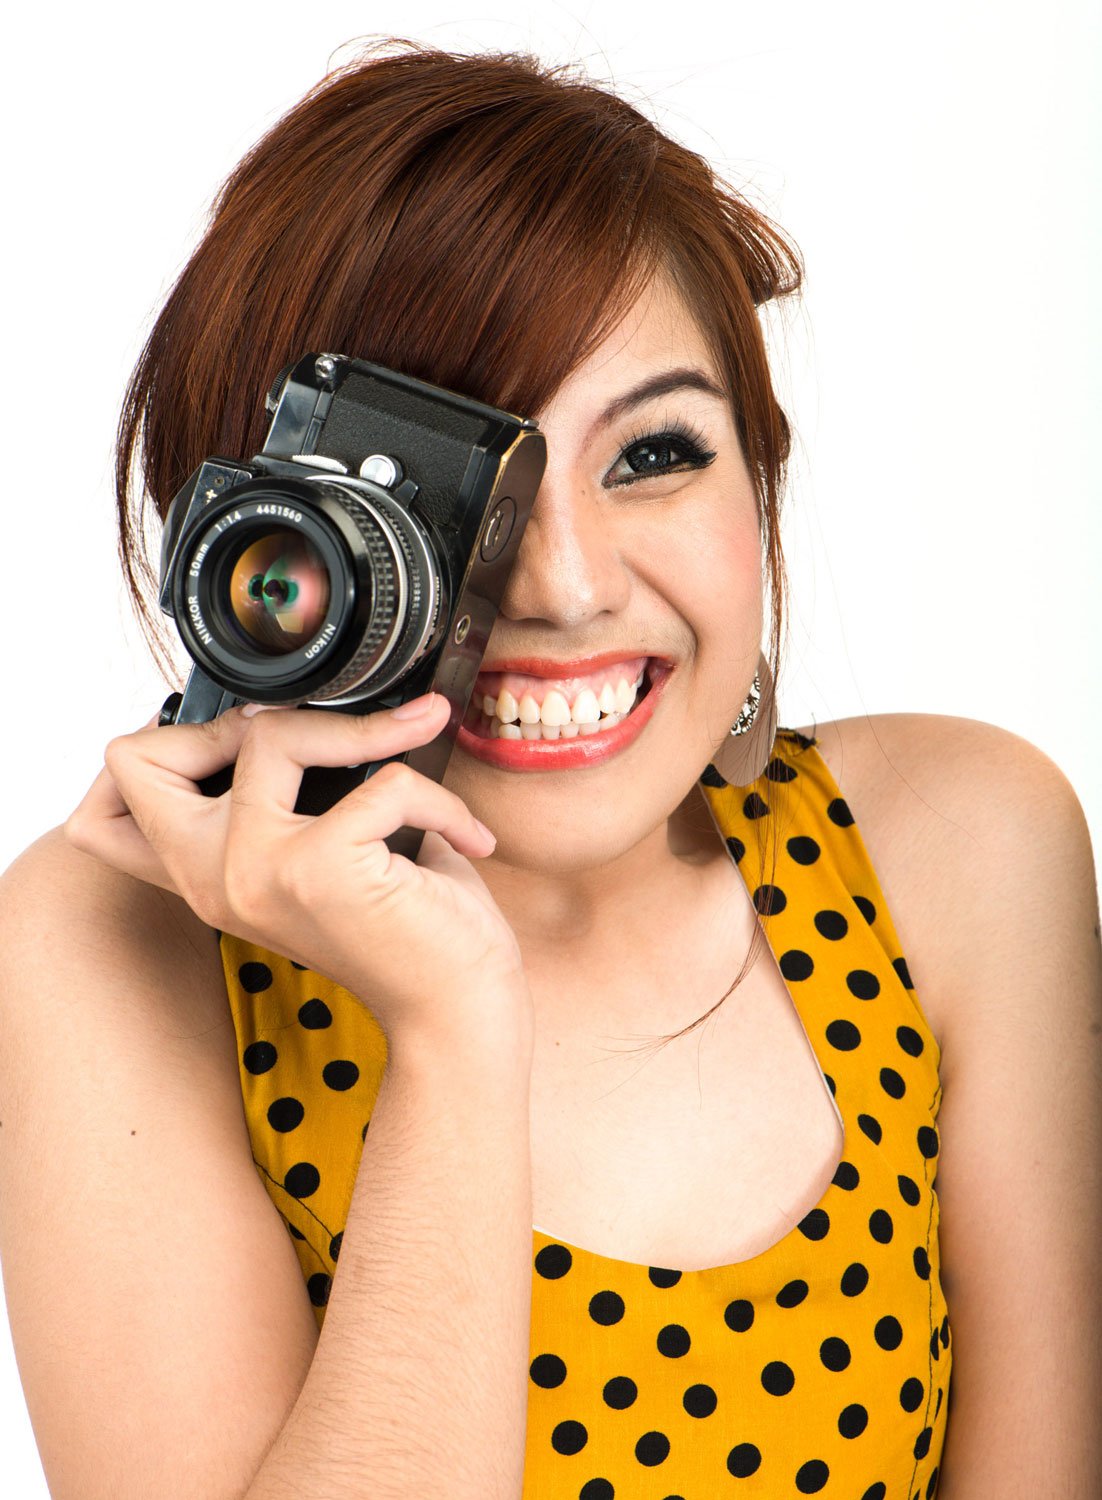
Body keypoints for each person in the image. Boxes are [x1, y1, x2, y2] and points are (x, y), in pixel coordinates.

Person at [1, 38, 1098, 1500]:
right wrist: (453, 1032)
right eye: (458, 491)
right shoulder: (118, 951)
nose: (565, 585)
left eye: (652, 453)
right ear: (263, 545)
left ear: (758, 476)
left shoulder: (960, 849)